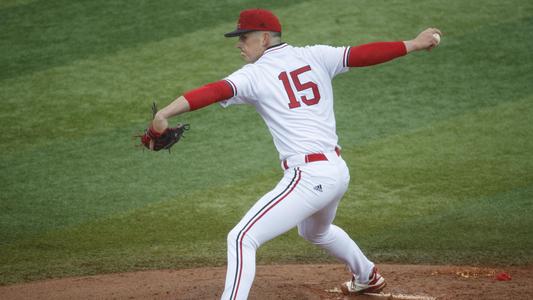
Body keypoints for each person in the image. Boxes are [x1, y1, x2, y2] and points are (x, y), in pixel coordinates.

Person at [144, 8, 441, 300]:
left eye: (243, 38)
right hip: (337, 171)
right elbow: (363, 54)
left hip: (309, 177)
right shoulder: (316, 55)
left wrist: (165, 113)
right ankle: (367, 276)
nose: (238, 44)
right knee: (315, 231)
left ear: (263, 38)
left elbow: (213, 91)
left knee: (241, 238)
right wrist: (413, 44)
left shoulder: (254, 75)